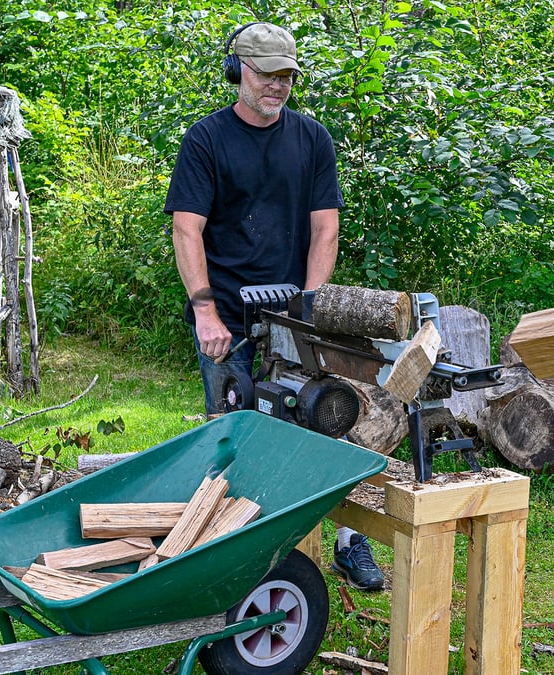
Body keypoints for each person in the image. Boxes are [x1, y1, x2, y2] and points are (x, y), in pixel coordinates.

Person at [164, 21, 385, 591]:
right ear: (237, 70)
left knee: (324, 421)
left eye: (287, 75)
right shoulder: (206, 141)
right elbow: (187, 231)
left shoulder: (312, 139)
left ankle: (344, 541)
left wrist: (309, 307)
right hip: (229, 321)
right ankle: (228, 555)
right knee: (235, 435)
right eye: (266, 74)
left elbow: (325, 229)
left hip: (292, 318)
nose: (278, 86)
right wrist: (206, 311)